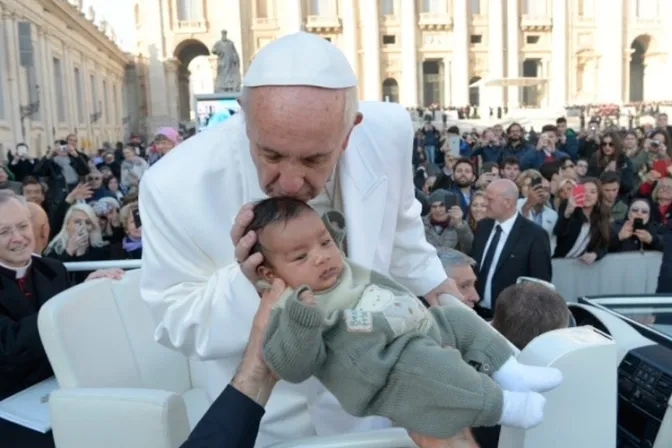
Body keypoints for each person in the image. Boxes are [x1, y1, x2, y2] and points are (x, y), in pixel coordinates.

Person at [140, 32, 469, 445]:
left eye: (315, 159)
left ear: (350, 132)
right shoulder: (172, 184)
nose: (291, 182)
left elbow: (400, 230)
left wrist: (439, 290)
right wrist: (249, 286)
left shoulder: (390, 132)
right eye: (271, 155)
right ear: (244, 117)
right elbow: (174, 323)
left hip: (375, 418)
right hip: (266, 423)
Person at [252, 197, 560, 438]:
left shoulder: (338, 265)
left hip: (414, 325)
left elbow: (337, 226)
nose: (321, 256)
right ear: (270, 272)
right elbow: (291, 367)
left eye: (324, 242)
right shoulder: (291, 305)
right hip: (388, 365)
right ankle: (502, 405)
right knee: (438, 369)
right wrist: (303, 320)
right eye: (300, 256)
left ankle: (511, 370)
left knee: (460, 319)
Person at [0, 190, 123, 448]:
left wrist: (88, 294)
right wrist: (70, 301)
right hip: (10, 405)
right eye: (4, 232)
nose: (18, 238)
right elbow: (10, 345)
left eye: (23, 226)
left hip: (62, 390)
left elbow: (73, 330)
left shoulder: (52, 269)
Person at [471, 179, 552, 319]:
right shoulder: (483, 226)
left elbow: (540, 285)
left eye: (489, 199)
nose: (485, 203)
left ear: (507, 202)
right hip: (477, 313)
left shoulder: (535, 235)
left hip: (512, 318)